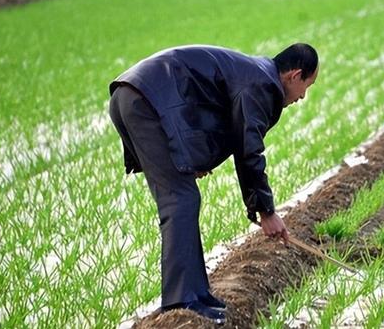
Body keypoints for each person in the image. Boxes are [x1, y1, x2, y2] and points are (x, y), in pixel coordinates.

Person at [108, 43, 319, 324]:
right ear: (294, 75)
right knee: (181, 200)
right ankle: (182, 300)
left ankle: (197, 295)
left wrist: (194, 158)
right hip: (146, 100)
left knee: (184, 197)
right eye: (307, 85)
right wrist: (267, 212)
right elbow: (248, 150)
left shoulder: (254, 75)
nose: (303, 96)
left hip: (136, 95)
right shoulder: (262, 85)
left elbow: (218, 121)